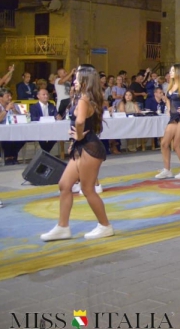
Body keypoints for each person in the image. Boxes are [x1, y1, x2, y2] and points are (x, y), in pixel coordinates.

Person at [40, 64, 114, 241]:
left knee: (88, 189)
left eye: (77, 77)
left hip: (89, 147)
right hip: (82, 146)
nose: (74, 80)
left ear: (85, 79)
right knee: (65, 185)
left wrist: (78, 135)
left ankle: (105, 226)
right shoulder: (83, 97)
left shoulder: (84, 99)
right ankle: (62, 227)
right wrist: (76, 138)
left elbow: (80, 121)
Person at [30, 88, 61, 153]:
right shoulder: (33, 107)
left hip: (51, 128)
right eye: (43, 94)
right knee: (40, 137)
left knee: (56, 135)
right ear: (38, 96)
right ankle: (46, 153)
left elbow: (56, 115)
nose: (46, 96)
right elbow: (33, 118)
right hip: (39, 129)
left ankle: (45, 152)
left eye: (47, 94)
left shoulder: (52, 106)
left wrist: (58, 117)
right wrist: (45, 119)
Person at [0, 88, 25, 165]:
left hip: (14, 130)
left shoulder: (15, 105)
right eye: (7, 96)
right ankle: (10, 157)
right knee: (6, 138)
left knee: (24, 137)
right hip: (2, 131)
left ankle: (11, 156)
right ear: (1, 97)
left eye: (11, 96)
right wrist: (6, 110)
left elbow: (23, 118)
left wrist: (15, 110)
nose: (10, 98)